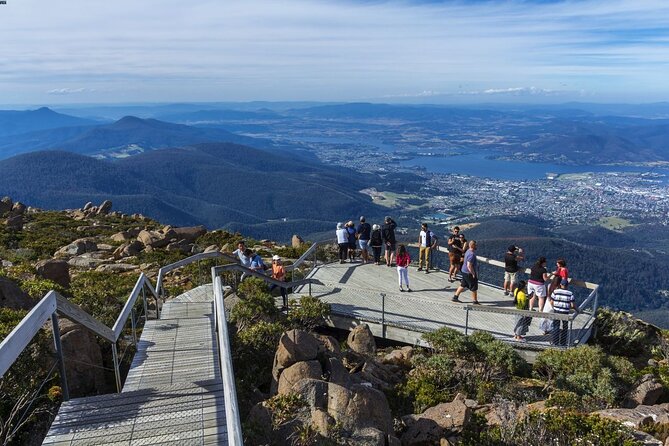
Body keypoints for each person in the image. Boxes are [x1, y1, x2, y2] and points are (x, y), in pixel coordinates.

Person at [452, 240, 480, 304]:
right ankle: (475, 301)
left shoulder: (467, 251)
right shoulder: (472, 254)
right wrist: (473, 273)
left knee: (463, 284)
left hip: (464, 271)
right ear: (472, 245)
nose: (476, 246)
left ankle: (455, 297)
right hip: (468, 273)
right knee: (474, 287)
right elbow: (469, 265)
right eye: (475, 245)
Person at [550, 279, 576, 346]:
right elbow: (573, 305)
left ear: (560, 285)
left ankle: (555, 342)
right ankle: (563, 343)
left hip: (556, 311)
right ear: (567, 285)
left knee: (556, 326)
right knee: (565, 327)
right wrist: (575, 309)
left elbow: (551, 302)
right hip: (565, 312)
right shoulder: (570, 293)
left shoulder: (555, 291)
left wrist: (554, 307)